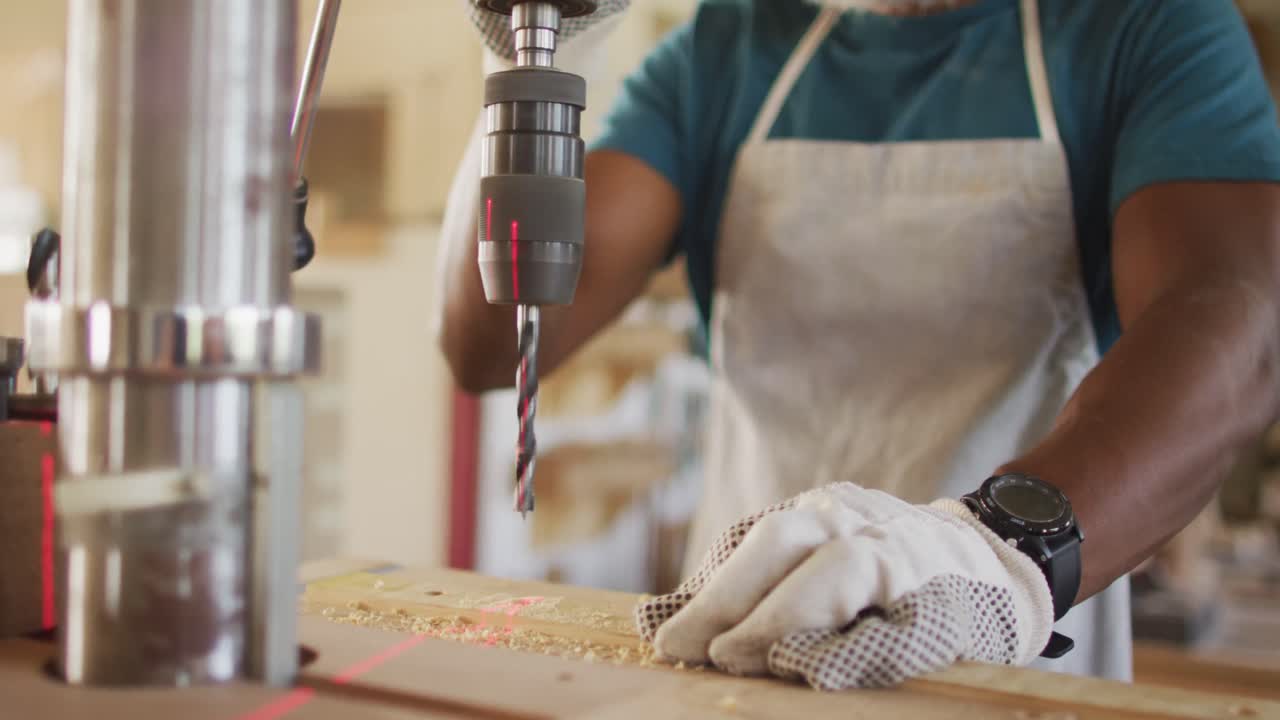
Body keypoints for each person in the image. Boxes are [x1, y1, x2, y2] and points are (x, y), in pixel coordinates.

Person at [438, 0, 1280, 688]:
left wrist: (999, 553)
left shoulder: (1145, 26)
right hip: (742, 647)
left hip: (1007, 652)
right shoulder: (725, 48)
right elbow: (495, 338)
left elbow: (1234, 323)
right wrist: (532, 56)